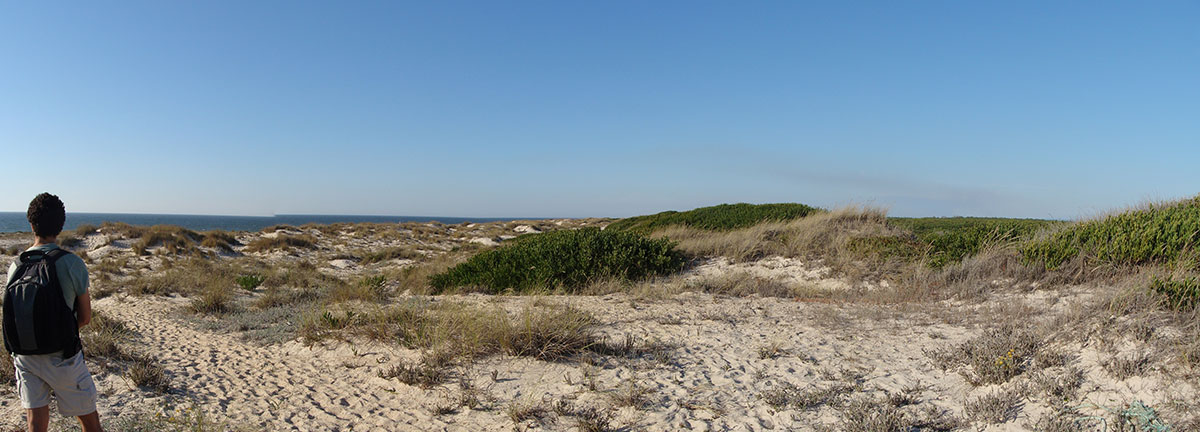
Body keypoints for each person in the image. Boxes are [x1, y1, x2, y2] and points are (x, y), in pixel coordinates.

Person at [5, 193, 103, 432]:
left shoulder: (16, 265)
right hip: (62, 357)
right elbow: (85, 318)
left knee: (35, 422)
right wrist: (57, 330)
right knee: (90, 422)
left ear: (31, 224)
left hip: (24, 356)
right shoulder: (71, 264)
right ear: (61, 225)